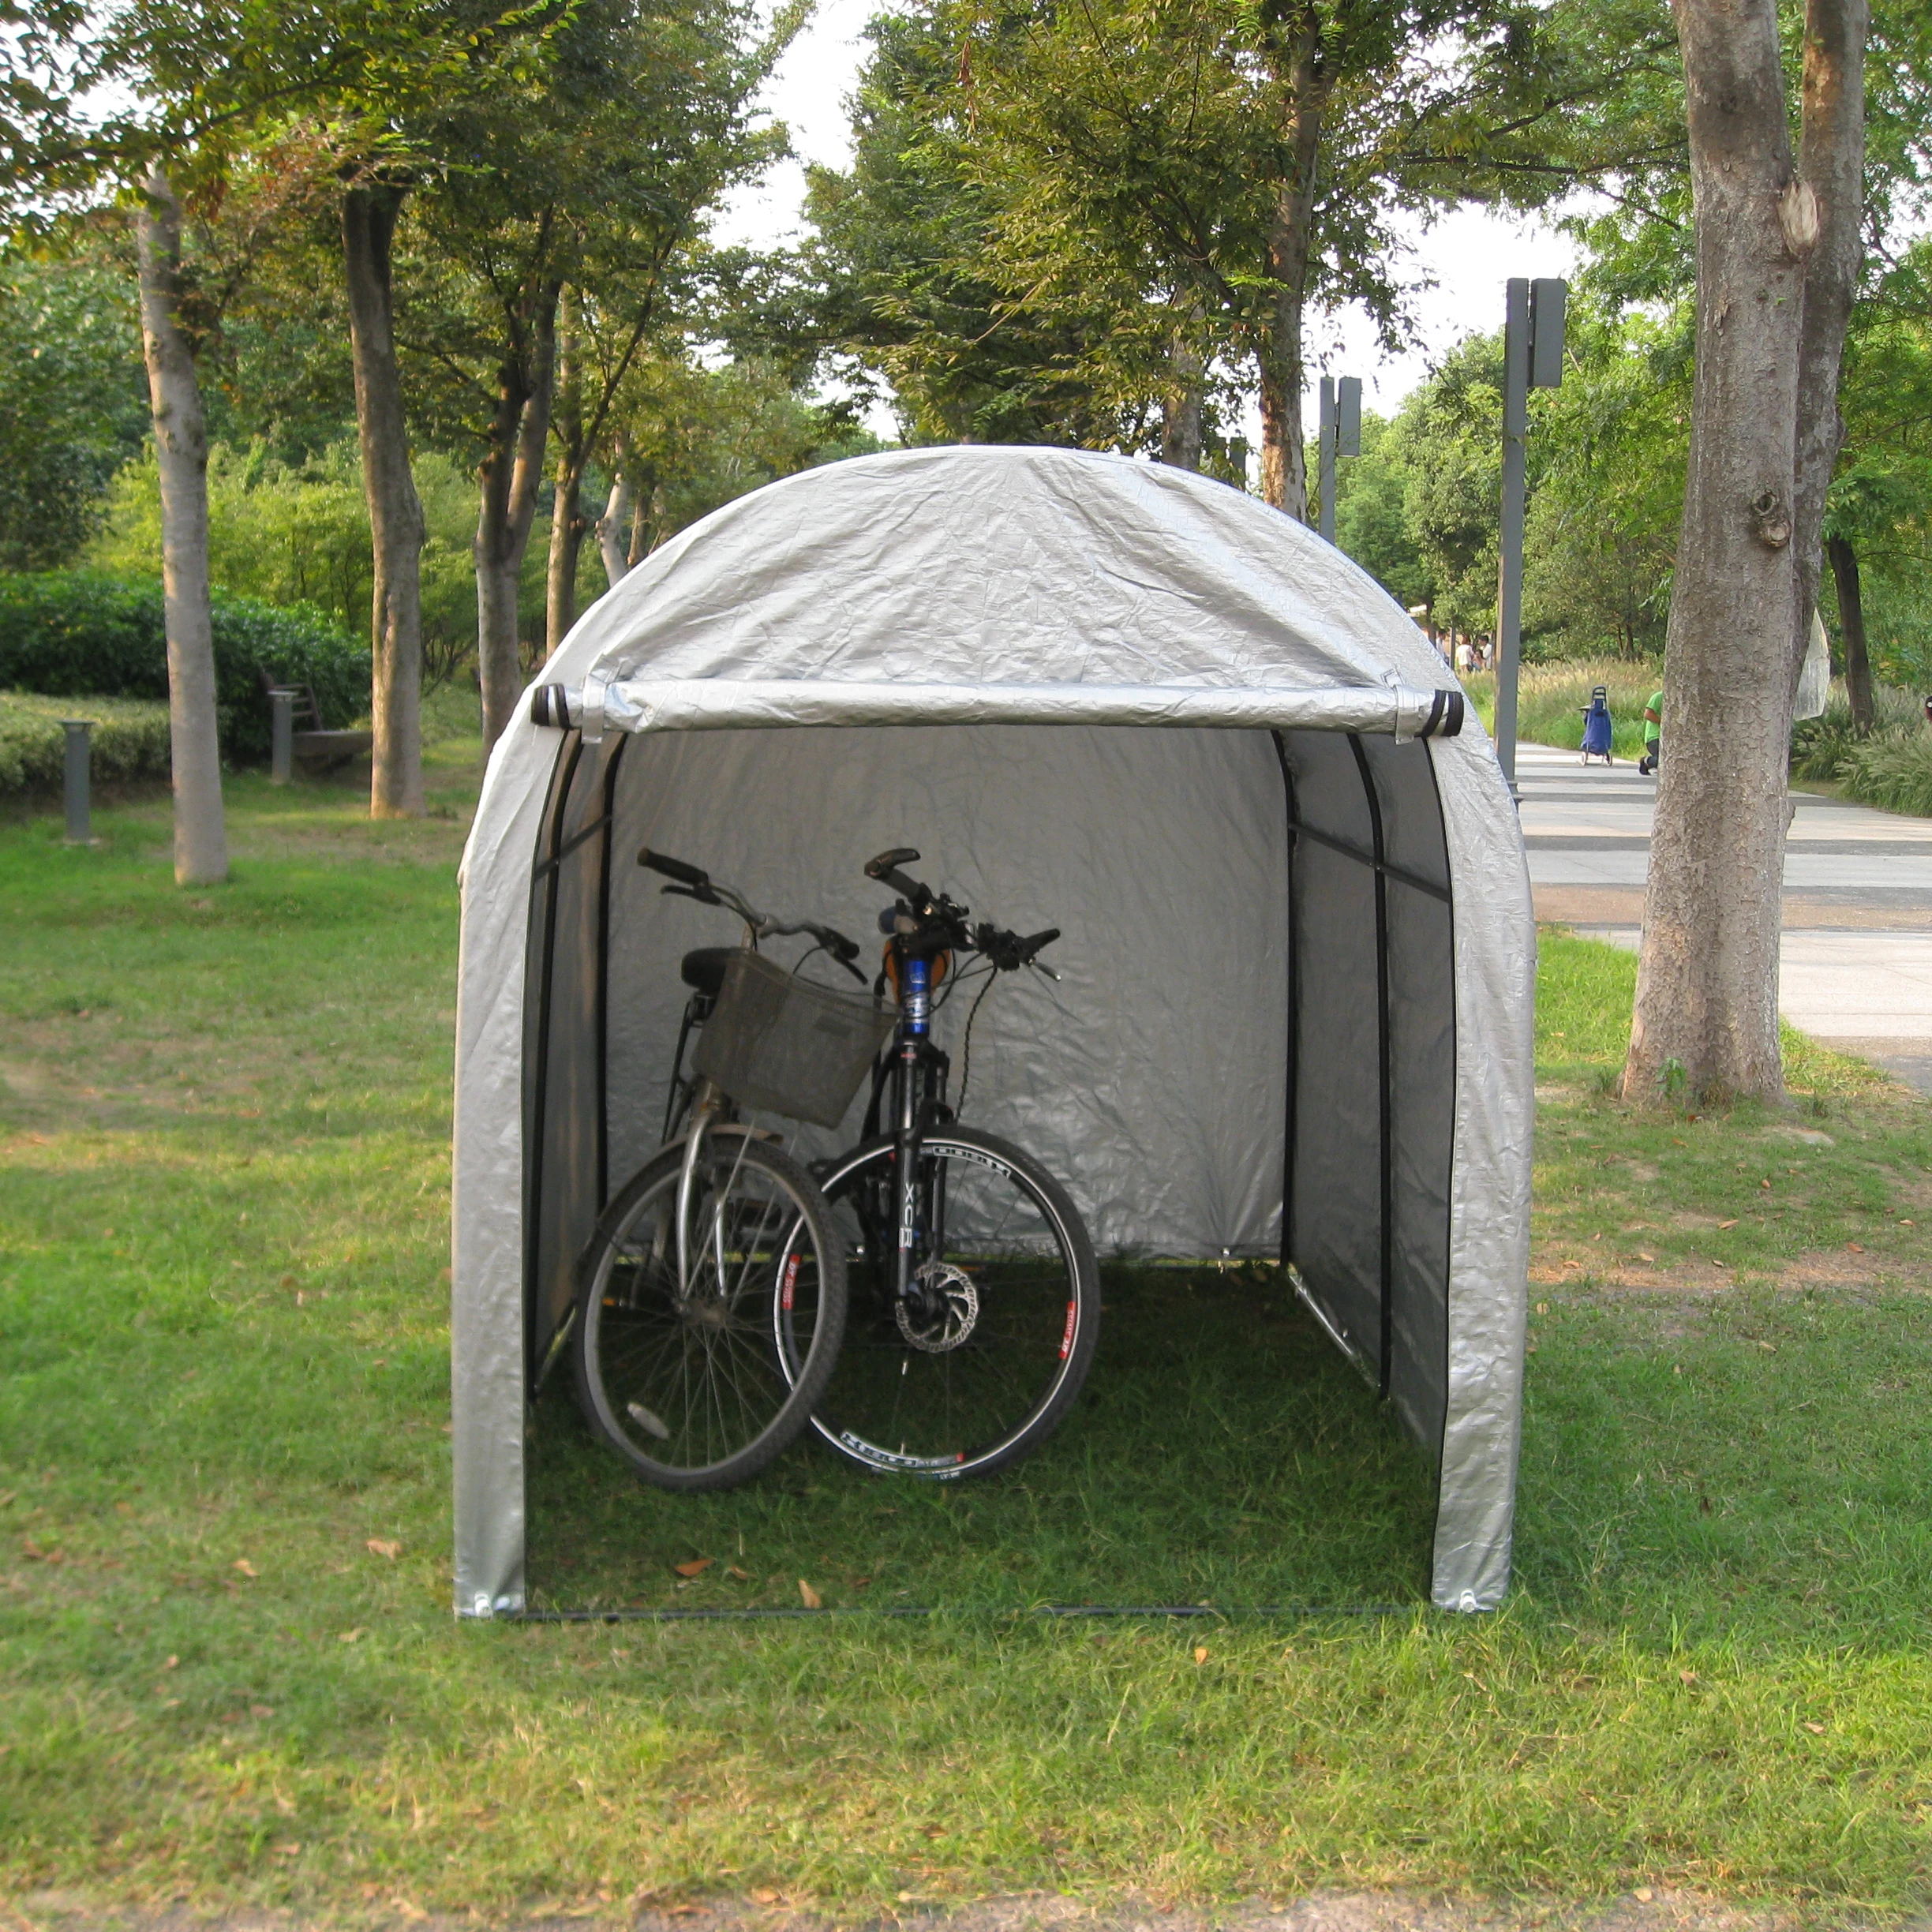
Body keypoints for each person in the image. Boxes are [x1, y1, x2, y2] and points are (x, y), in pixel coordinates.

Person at [1639, 686, 1663, 776]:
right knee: (1662, 760)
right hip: (1654, 737)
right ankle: (1646, 761)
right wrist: (1663, 723)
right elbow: (1648, 714)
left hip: (1670, 737)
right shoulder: (1659, 697)